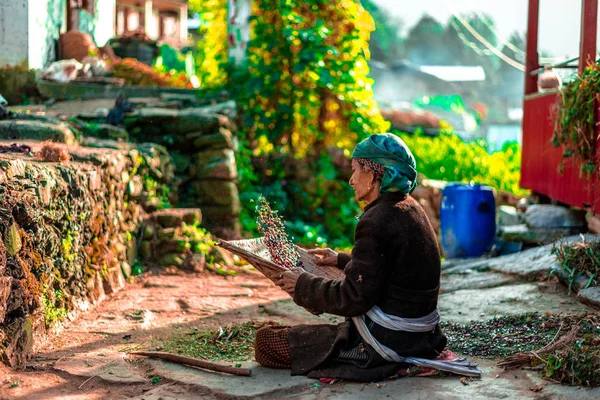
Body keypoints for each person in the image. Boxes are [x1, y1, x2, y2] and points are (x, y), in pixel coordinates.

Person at [254, 133, 451, 382]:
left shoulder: (376, 220)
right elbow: (390, 267)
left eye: (355, 170)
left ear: (373, 175)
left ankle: (358, 354)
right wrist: (342, 260)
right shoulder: (410, 207)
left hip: (390, 339)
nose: (351, 180)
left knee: (267, 342)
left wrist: (302, 283)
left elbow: (353, 298)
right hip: (424, 335)